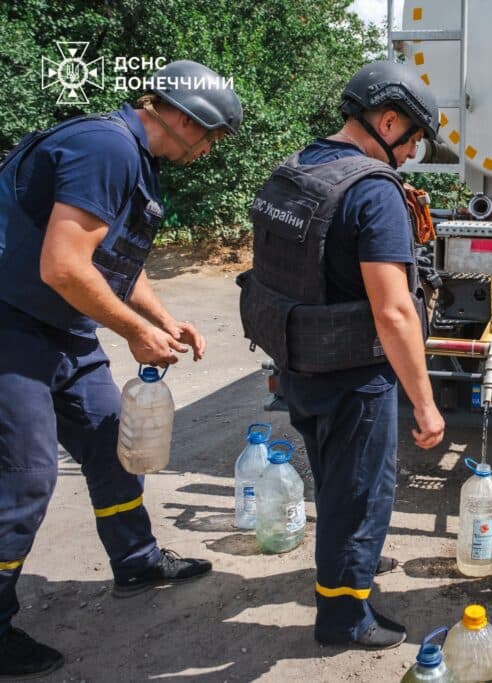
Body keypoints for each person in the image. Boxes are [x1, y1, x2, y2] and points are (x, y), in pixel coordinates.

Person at [0, 60, 242, 677]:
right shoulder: (105, 146)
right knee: (26, 477)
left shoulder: (135, 160)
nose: (211, 150)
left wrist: (160, 318)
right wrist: (134, 332)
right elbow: (62, 265)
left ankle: (135, 559)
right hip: (12, 328)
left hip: (64, 330)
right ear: (184, 119)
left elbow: (112, 261)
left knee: (114, 446)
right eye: (212, 137)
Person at [240, 61, 445, 650]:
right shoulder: (373, 192)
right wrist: (425, 403)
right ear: (386, 122)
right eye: (411, 141)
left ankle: (349, 568)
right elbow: (395, 311)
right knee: (360, 492)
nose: (409, 156)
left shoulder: (300, 166)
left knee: (335, 481)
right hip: (355, 374)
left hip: (299, 359)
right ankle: (343, 616)